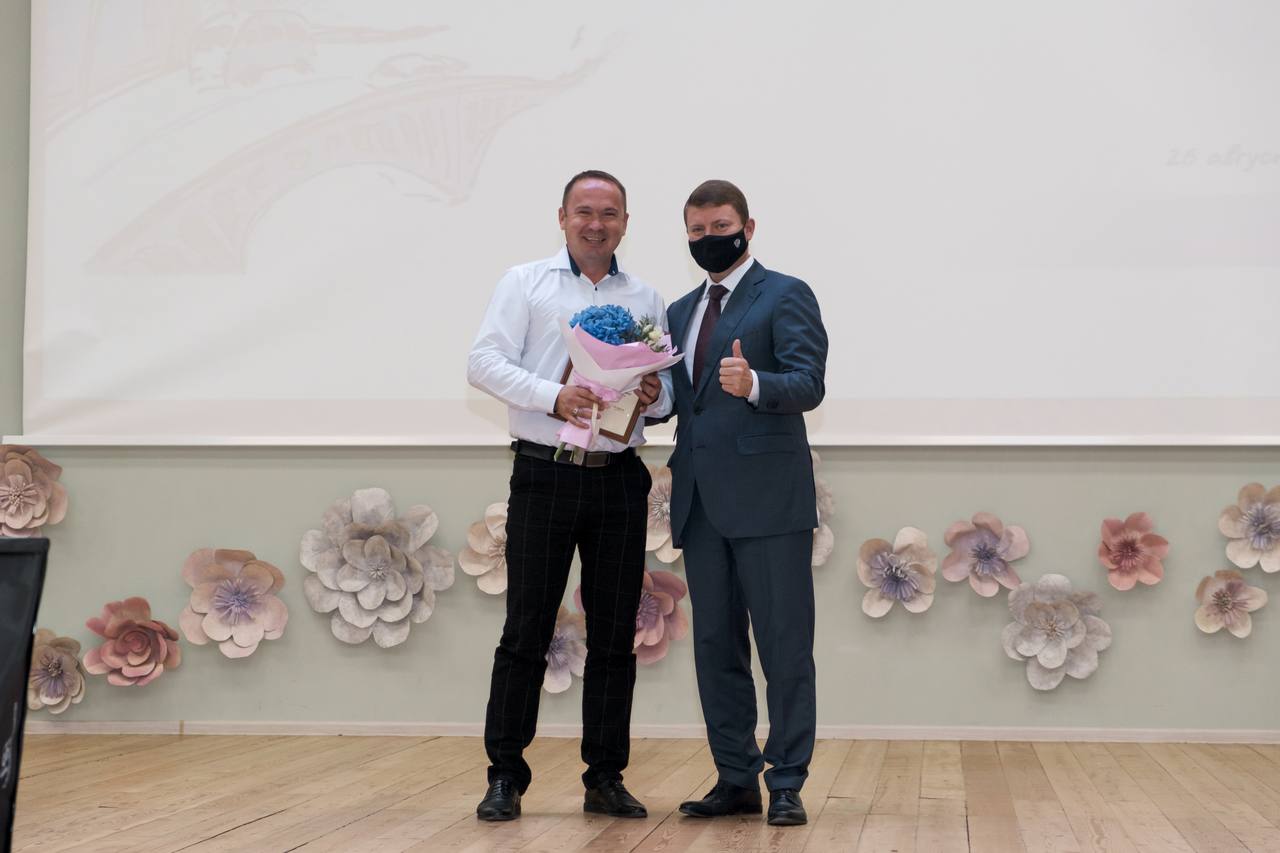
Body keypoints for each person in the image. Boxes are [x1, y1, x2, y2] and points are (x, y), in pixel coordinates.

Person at [466, 170, 673, 821]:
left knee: (614, 636)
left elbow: (664, 396)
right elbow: (482, 363)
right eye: (584, 211)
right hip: (545, 474)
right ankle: (505, 774)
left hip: (618, 478)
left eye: (609, 213)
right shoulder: (524, 282)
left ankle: (605, 776)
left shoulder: (645, 297)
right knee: (525, 629)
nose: (596, 223)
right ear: (562, 217)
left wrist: (653, 395)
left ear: (625, 223)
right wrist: (552, 395)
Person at [663, 179, 828, 826]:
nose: (710, 239)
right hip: (701, 503)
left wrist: (755, 382)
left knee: (784, 646)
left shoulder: (785, 293)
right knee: (714, 647)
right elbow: (683, 401)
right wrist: (637, 394)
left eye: (721, 227)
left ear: (748, 228)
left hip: (768, 503)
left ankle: (786, 781)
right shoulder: (680, 310)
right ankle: (735, 777)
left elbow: (809, 382)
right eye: (698, 231)